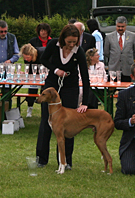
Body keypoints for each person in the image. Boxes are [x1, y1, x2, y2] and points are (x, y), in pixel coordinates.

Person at [36, 24, 90, 169]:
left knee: (69, 123)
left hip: (70, 88)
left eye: (75, 41)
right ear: (63, 38)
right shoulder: (54, 44)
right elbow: (44, 60)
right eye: (69, 41)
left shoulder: (79, 52)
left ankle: (66, 161)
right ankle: (41, 158)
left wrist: (85, 102)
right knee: (46, 121)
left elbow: (85, 77)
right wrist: (56, 70)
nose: (72, 44)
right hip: (52, 84)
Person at [25, 23, 52, 117]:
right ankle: (29, 108)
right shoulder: (33, 41)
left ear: (48, 31)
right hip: (34, 68)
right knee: (32, 89)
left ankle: (45, 110)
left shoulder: (52, 42)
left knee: (45, 90)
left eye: (45, 30)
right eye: (41, 30)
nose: (43, 32)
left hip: (47, 68)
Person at [104, 16, 135, 82]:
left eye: (122, 26)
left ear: (126, 26)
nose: (120, 28)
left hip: (127, 69)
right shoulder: (109, 37)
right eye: (118, 26)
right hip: (113, 70)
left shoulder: (133, 36)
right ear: (116, 25)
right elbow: (106, 52)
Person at [19, 44, 46, 117]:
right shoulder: (27, 60)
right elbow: (29, 70)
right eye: (25, 58)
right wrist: (24, 73)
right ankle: (29, 109)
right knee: (32, 89)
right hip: (34, 75)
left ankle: (44, 112)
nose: (26, 59)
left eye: (28, 57)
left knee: (44, 92)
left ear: (32, 55)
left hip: (44, 74)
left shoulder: (42, 53)